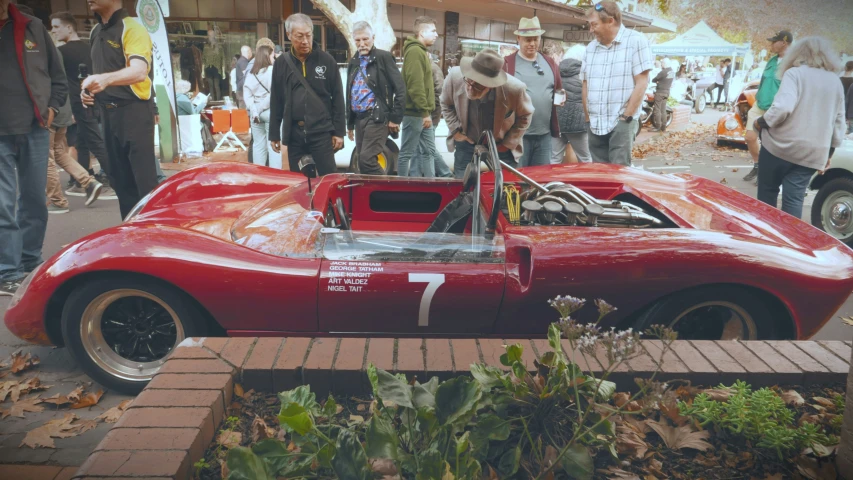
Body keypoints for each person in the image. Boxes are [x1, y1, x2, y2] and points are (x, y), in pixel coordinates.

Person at [0, 0, 68, 295]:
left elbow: (58, 76)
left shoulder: (32, 26)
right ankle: (8, 270)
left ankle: (29, 261)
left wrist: (52, 107)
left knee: (34, 200)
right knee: (2, 204)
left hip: (35, 127)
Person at [753, 36, 845, 219]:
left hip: (780, 147)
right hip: (812, 152)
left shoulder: (795, 74)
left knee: (767, 195)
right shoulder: (835, 81)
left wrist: (760, 123)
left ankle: (764, 240)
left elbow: (782, 108)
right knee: (794, 200)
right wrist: (829, 153)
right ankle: (790, 243)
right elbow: (839, 122)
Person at [82, 0, 158, 219]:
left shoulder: (132, 28)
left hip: (134, 112)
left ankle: (152, 236)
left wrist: (104, 79)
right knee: (120, 183)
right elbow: (97, 75)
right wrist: (89, 89)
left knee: (144, 184)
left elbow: (139, 71)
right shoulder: (95, 32)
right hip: (106, 114)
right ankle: (131, 237)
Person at [269, 13, 345, 176]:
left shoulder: (327, 61)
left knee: (329, 179)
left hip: (322, 132)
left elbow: (338, 98)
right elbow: (276, 100)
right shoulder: (281, 63)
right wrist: (274, 133)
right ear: (289, 35)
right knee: (300, 182)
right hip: (295, 133)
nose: (305, 41)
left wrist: (339, 132)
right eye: (299, 36)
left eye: (308, 35)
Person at [440, 49, 534, 178]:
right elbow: (446, 103)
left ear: (492, 85)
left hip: (500, 146)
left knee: (505, 188)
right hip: (467, 143)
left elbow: (525, 116)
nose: (470, 88)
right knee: (463, 187)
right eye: (469, 81)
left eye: (478, 85)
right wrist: (456, 131)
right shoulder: (455, 77)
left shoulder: (514, 89)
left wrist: (507, 144)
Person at [581, 1, 653, 165]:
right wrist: (587, 118)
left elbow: (642, 83)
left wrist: (626, 118)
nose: (591, 30)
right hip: (594, 124)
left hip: (621, 122)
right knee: (599, 176)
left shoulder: (636, 41)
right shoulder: (591, 48)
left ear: (610, 21)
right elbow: (585, 84)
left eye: (594, 25)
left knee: (618, 177)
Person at [50, 11, 113, 196]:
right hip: (92, 100)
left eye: (56, 27)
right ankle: (83, 182)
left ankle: (115, 181)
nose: (53, 31)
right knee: (82, 143)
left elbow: (60, 82)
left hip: (78, 104)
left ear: (69, 27)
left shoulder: (60, 53)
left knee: (94, 142)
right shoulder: (89, 48)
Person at [46, 47, 103, 213]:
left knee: (46, 156)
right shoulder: (55, 51)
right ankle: (88, 182)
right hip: (62, 106)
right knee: (58, 152)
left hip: (48, 108)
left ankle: (58, 201)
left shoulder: (39, 50)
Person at [345, 21, 405, 175]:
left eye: (365, 39)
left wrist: (395, 118)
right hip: (359, 118)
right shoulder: (354, 61)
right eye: (358, 40)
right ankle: (371, 197)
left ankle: (387, 193)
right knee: (361, 162)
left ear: (373, 38)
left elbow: (400, 89)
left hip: (377, 117)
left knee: (367, 159)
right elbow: (349, 92)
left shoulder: (383, 57)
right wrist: (350, 123)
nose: (362, 43)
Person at [502, 17, 563, 168]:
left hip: (544, 136)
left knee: (540, 181)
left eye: (535, 39)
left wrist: (561, 99)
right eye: (527, 40)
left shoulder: (550, 63)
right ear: (518, 38)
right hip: (516, 137)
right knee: (517, 181)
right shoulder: (507, 64)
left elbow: (559, 90)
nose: (532, 44)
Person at [743, 30, 792, 183]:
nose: (771, 44)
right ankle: (758, 165)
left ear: (784, 42)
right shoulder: (772, 61)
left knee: (769, 143)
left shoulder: (793, 63)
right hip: (760, 104)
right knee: (750, 137)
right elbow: (764, 81)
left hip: (776, 108)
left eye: (774, 41)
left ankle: (767, 172)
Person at [398, 16, 441, 177]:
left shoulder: (420, 51)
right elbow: (415, 85)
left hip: (423, 114)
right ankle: (400, 190)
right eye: (433, 31)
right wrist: (424, 113)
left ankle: (430, 185)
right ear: (422, 33)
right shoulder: (415, 51)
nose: (436, 34)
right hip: (416, 114)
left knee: (429, 152)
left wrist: (426, 113)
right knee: (406, 154)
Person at [411, 53, 453, 177]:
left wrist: (428, 112)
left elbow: (440, 93)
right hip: (423, 115)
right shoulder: (422, 68)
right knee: (420, 147)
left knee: (426, 146)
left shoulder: (433, 69)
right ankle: (416, 176)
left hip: (429, 116)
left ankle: (445, 173)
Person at [555, 50, 592, 163]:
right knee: (585, 158)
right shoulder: (584, 77)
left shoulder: (556, 75)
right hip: (578, 126)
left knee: (554, 158)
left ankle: (550, 181)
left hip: (557, 124)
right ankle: (586, 181)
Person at [244, 45, 276, 168]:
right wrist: (261, 108)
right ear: (267, 56)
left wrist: (255, 109)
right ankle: (275, 175)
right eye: (273, 56)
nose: (274, 58)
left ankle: (258, 174)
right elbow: (274, 94)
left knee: (258, 145)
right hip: (269, 112)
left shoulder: (252, 73)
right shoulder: (272, 71)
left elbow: (248, 95)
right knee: (273, 145)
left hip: (255, 114)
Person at [649, 58, 674, 133]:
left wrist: (657, 81)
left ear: (665, 64)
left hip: (660, 92)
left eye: (662, 63)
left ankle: (658, 126)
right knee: (663, 110)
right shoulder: (672, 71)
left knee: (657, 110)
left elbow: (654, 79)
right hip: (667, 92)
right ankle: (663, 127)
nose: (661, 64)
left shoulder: (663, 72)